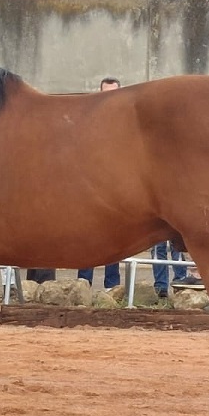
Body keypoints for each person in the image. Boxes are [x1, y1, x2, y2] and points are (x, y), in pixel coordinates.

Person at [77, 77, 124, 290]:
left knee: (114, 238)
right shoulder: (88, 120)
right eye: (105, 93)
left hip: (116, 191)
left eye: (113, 93)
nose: (109, 98)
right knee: (86, 236)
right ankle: (83, 286)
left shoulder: (126, 123)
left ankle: (112, 288)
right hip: (89, 190)